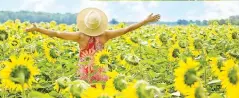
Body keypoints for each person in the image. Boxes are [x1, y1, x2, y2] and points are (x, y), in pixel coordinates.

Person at [26, 7, 160, 84]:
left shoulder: (80, 36)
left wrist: (38, 29)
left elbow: (56, 33)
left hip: (85, 74)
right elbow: (126, 30)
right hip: (101, 73)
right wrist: (145, 21)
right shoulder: (105, 35)